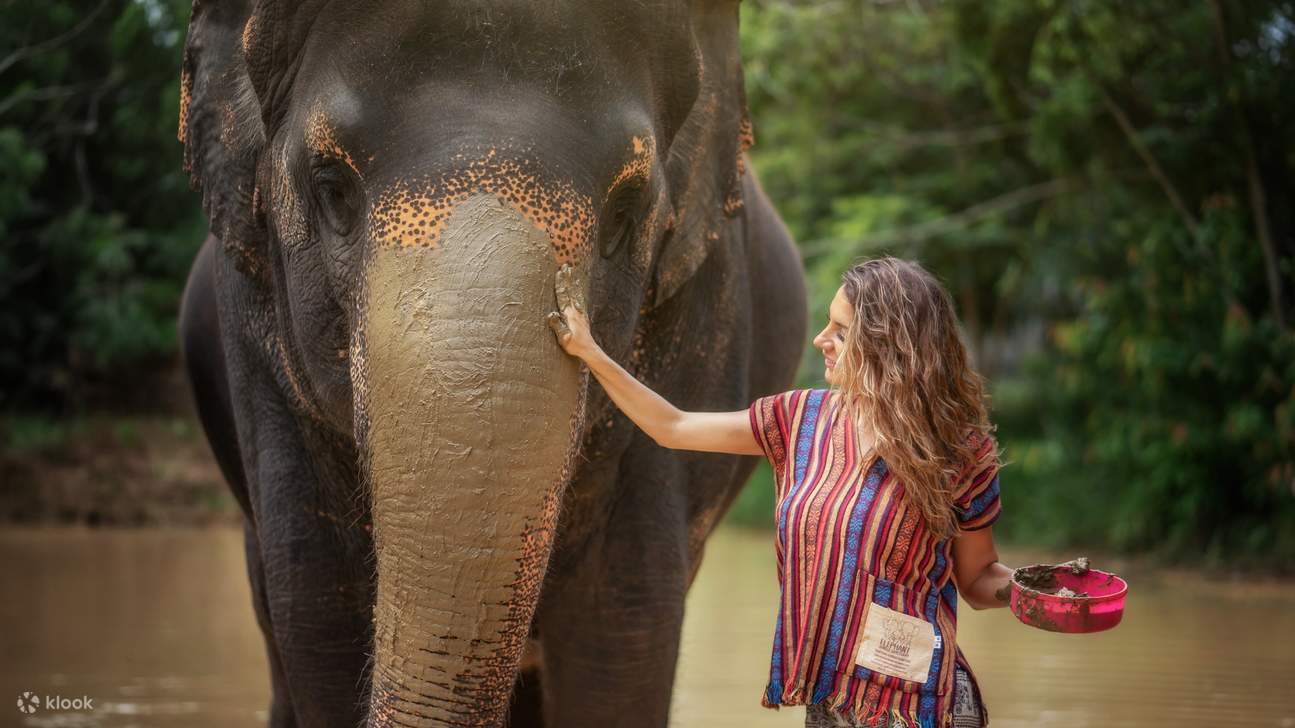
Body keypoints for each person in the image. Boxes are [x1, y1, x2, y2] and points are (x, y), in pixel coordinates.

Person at [547, 257, 1014, 728]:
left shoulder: (960, 453)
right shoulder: (799, 420)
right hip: (830, 700)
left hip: (920, 705)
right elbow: (673, 426)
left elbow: (976, 580)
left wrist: (1028, 593)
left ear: (887, 344)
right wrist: (590, 352)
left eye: (841, 332)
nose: (820, 340)